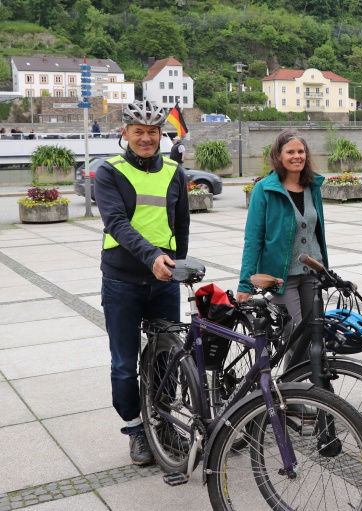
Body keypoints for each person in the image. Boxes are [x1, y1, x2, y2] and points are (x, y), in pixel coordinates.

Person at [94, 100, 190, 466]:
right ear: (126, 133)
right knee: (124, 361)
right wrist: (152, 257)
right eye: (139, 132)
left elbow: (181, 224)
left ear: (161, 134)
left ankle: (162, 423)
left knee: (167, 357)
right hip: (122, 280)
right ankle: (135, 428)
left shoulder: (174, 171)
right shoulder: (110, 171)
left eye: (153, 132)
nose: (146, 138)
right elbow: (116, 223)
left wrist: (178, 264)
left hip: (163, 280)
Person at [236, 130, 328, 367]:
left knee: (313, 339)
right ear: (278, 155)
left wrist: (326, 272)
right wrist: (245, 283)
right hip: (281, 278)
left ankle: (297, 387)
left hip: (312, 274)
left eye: (301, 151)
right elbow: (253, 238)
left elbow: (318, 234)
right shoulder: (265, 189)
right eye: (291, 152)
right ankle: (300, 387)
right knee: (295, 338)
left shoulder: (312, 186)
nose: (297, 156)